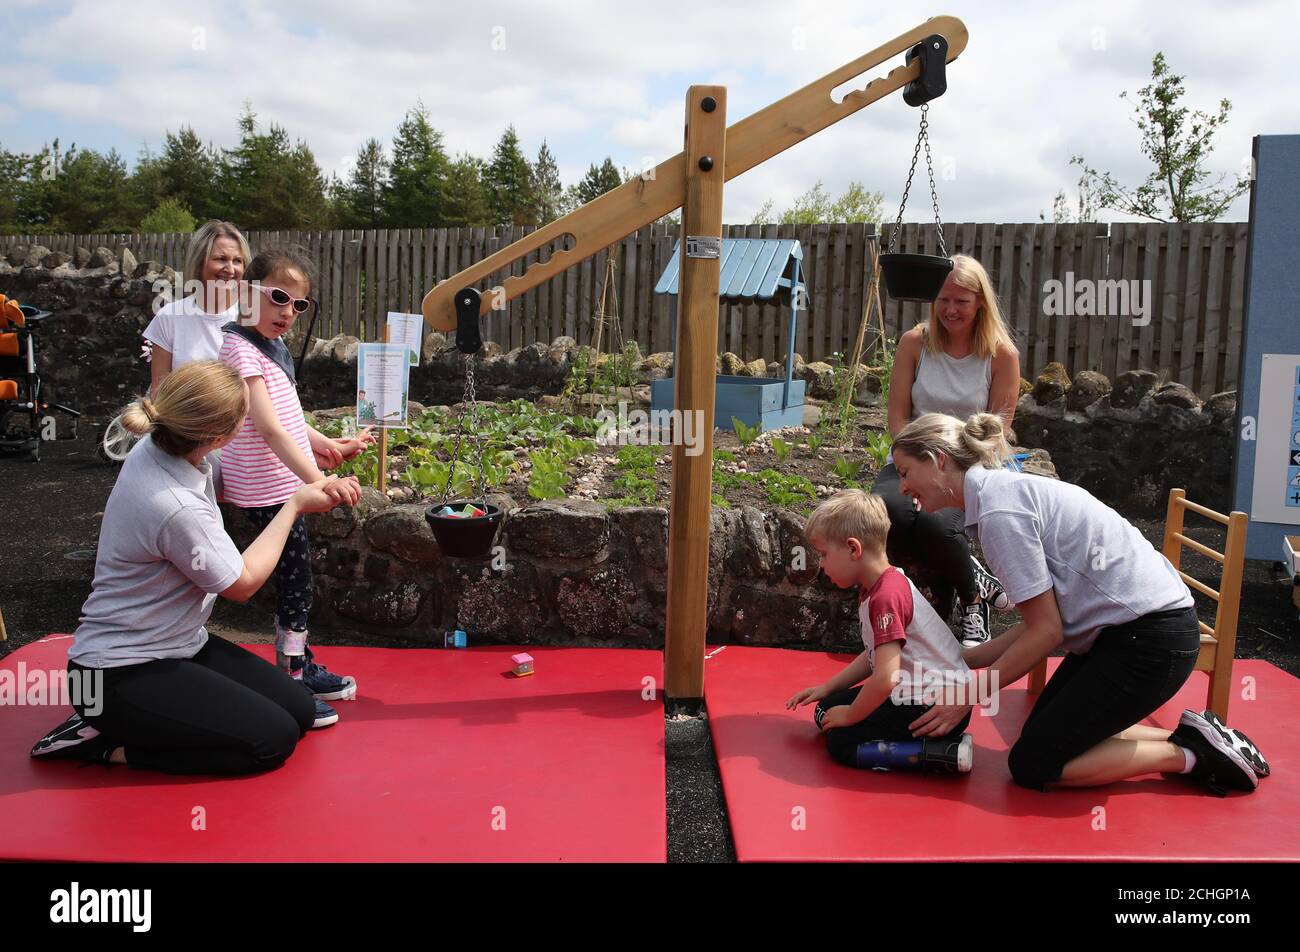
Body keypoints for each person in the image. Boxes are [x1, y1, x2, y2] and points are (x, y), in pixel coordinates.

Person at [892, 411, 1271, 796]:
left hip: (1149, 643)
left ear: (939, 458)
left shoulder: (998, 512)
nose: (903, 488)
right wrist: (964, 659)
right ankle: (1199, 736)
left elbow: (1046, 632)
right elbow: (1041, 619)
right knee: (1045, 735)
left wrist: (968, 695)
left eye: (905, 472)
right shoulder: (999, 493)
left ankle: (1190, 756)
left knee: (1033, 764)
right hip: (1138, 633)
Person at [29, 361, 363, 772]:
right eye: (245, 420)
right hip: (110, 675)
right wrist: (294, 506)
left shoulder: (162, 445)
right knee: (271, 742)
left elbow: (239, 471)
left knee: (298, 710)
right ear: (218, 436)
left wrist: (314, 456)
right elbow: (241, 585)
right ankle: (102, 745)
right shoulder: (175, 505)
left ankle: (129, 723)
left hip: (176, 646)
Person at [217, 246, 374, 726]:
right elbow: (267, 428)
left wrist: (329, 444)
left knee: (297, 582)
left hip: (284, 482)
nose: (288, 312)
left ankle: (297, 665)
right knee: (294, 584)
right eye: (279, 297)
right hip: (268, 487)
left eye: (298, 305)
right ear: (248, 292)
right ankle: (292, 675)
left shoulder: (269, 345)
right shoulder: (238, 347)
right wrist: (321, 480)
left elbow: (290, 419)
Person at [874, 254, 1022, 648]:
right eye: (943, 299)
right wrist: (918, 467)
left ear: (980, 303)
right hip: (911, 456)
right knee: (893, 515)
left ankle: (972, 601)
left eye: (962, 300)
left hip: (968, 463)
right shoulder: (914, 343)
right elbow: (898, 418)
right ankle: (974, 580)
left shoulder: (1001, 354)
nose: (951, 309)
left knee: (937, 524)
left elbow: (998, 430)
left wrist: (948, 470)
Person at [786, 490, 975, 773]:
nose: (822, 565)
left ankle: (941, 753)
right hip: (913, 692)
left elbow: (886, 677)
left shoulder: (886, 596)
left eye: (824, 555)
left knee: (841, 742)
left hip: (932, 706)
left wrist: (851, 715)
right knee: (825, 710)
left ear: (853, 549)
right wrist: (827, 688)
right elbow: (873, 655)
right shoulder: (878, 586)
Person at [143, 220, 251, 392]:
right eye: (221, 259)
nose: (230, 269)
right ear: (199, 262)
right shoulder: (169, 317)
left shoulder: (253, 316)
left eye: (237, 261)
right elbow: (159, 392)